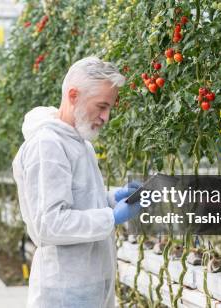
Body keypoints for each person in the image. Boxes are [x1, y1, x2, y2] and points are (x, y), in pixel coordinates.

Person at [12, 56, 143, 307]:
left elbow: (80, 201)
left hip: (90, 281)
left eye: (110, 108)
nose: (106, 117)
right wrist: (112, 217)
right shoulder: (48, 145)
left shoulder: (80, 143)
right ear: (73, 95)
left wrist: (113, 197)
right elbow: (49, 224)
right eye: (101, 106)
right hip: (65, 289)